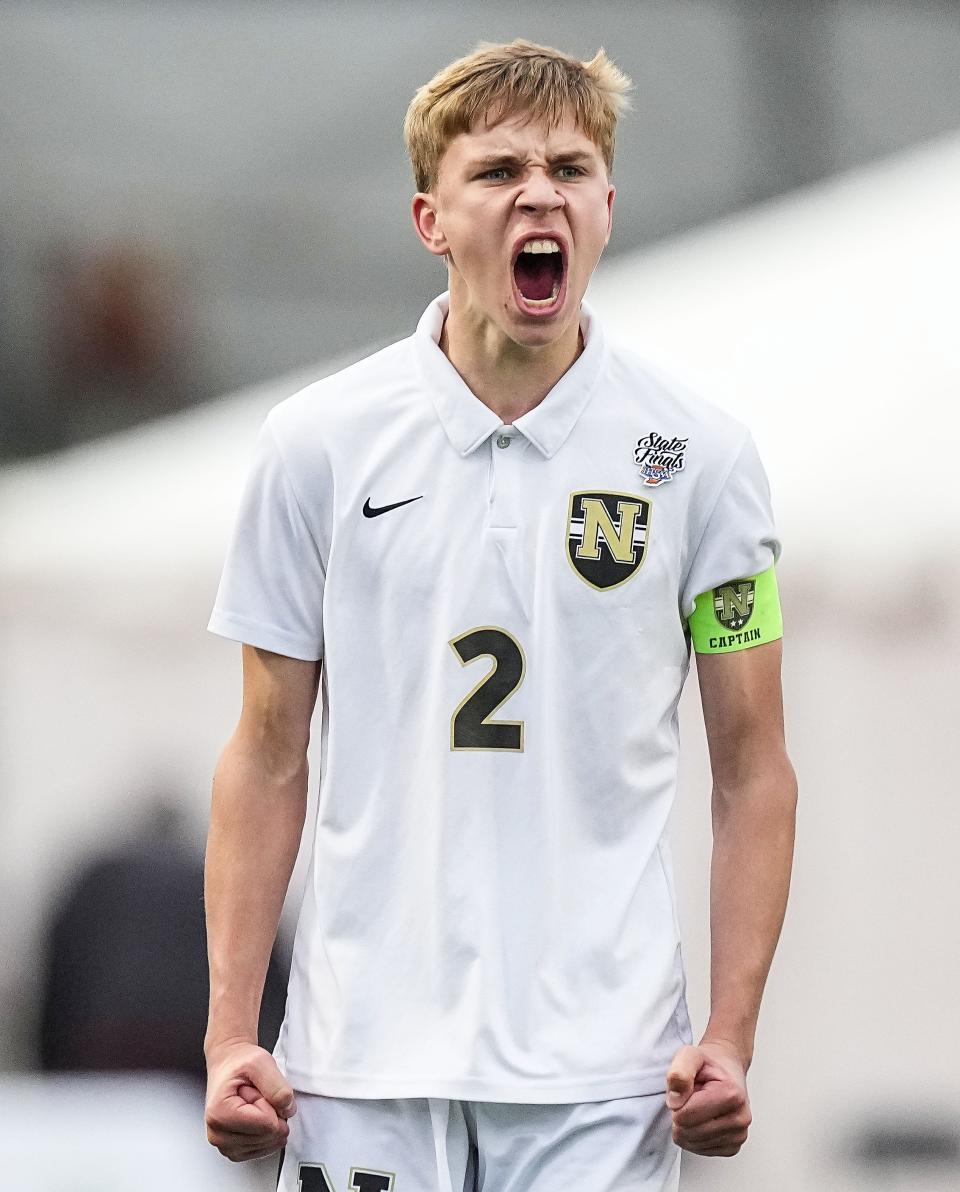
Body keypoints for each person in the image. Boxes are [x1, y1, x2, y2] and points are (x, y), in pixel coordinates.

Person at [202, 38, 797, 1191]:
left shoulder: (702, 459)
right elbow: (267, 756)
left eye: (571, 169)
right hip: (362, 1068)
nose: (542, 193)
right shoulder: (315, 445)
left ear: (608, 209)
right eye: (500, 171)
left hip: (602, 1080)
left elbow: (754, 767)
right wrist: (233, 1029)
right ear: (431, 218)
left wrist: (729, 1030)